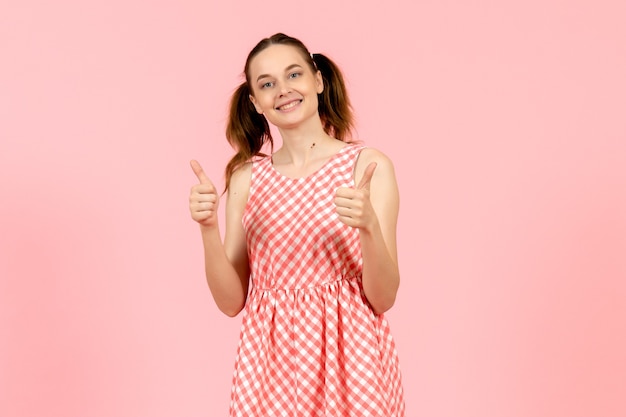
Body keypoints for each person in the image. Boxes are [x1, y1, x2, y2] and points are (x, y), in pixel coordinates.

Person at [189, 33, 405, 417]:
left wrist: (368, 226)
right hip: (269, 367)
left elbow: (384, 297)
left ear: (318, 80)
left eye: (294, 75)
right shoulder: (246, 178)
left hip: (351, 362)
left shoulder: (367, 167)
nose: (283, 90)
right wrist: (208, 228)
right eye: (267, 83)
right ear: (255, 102)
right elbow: (230, 302)